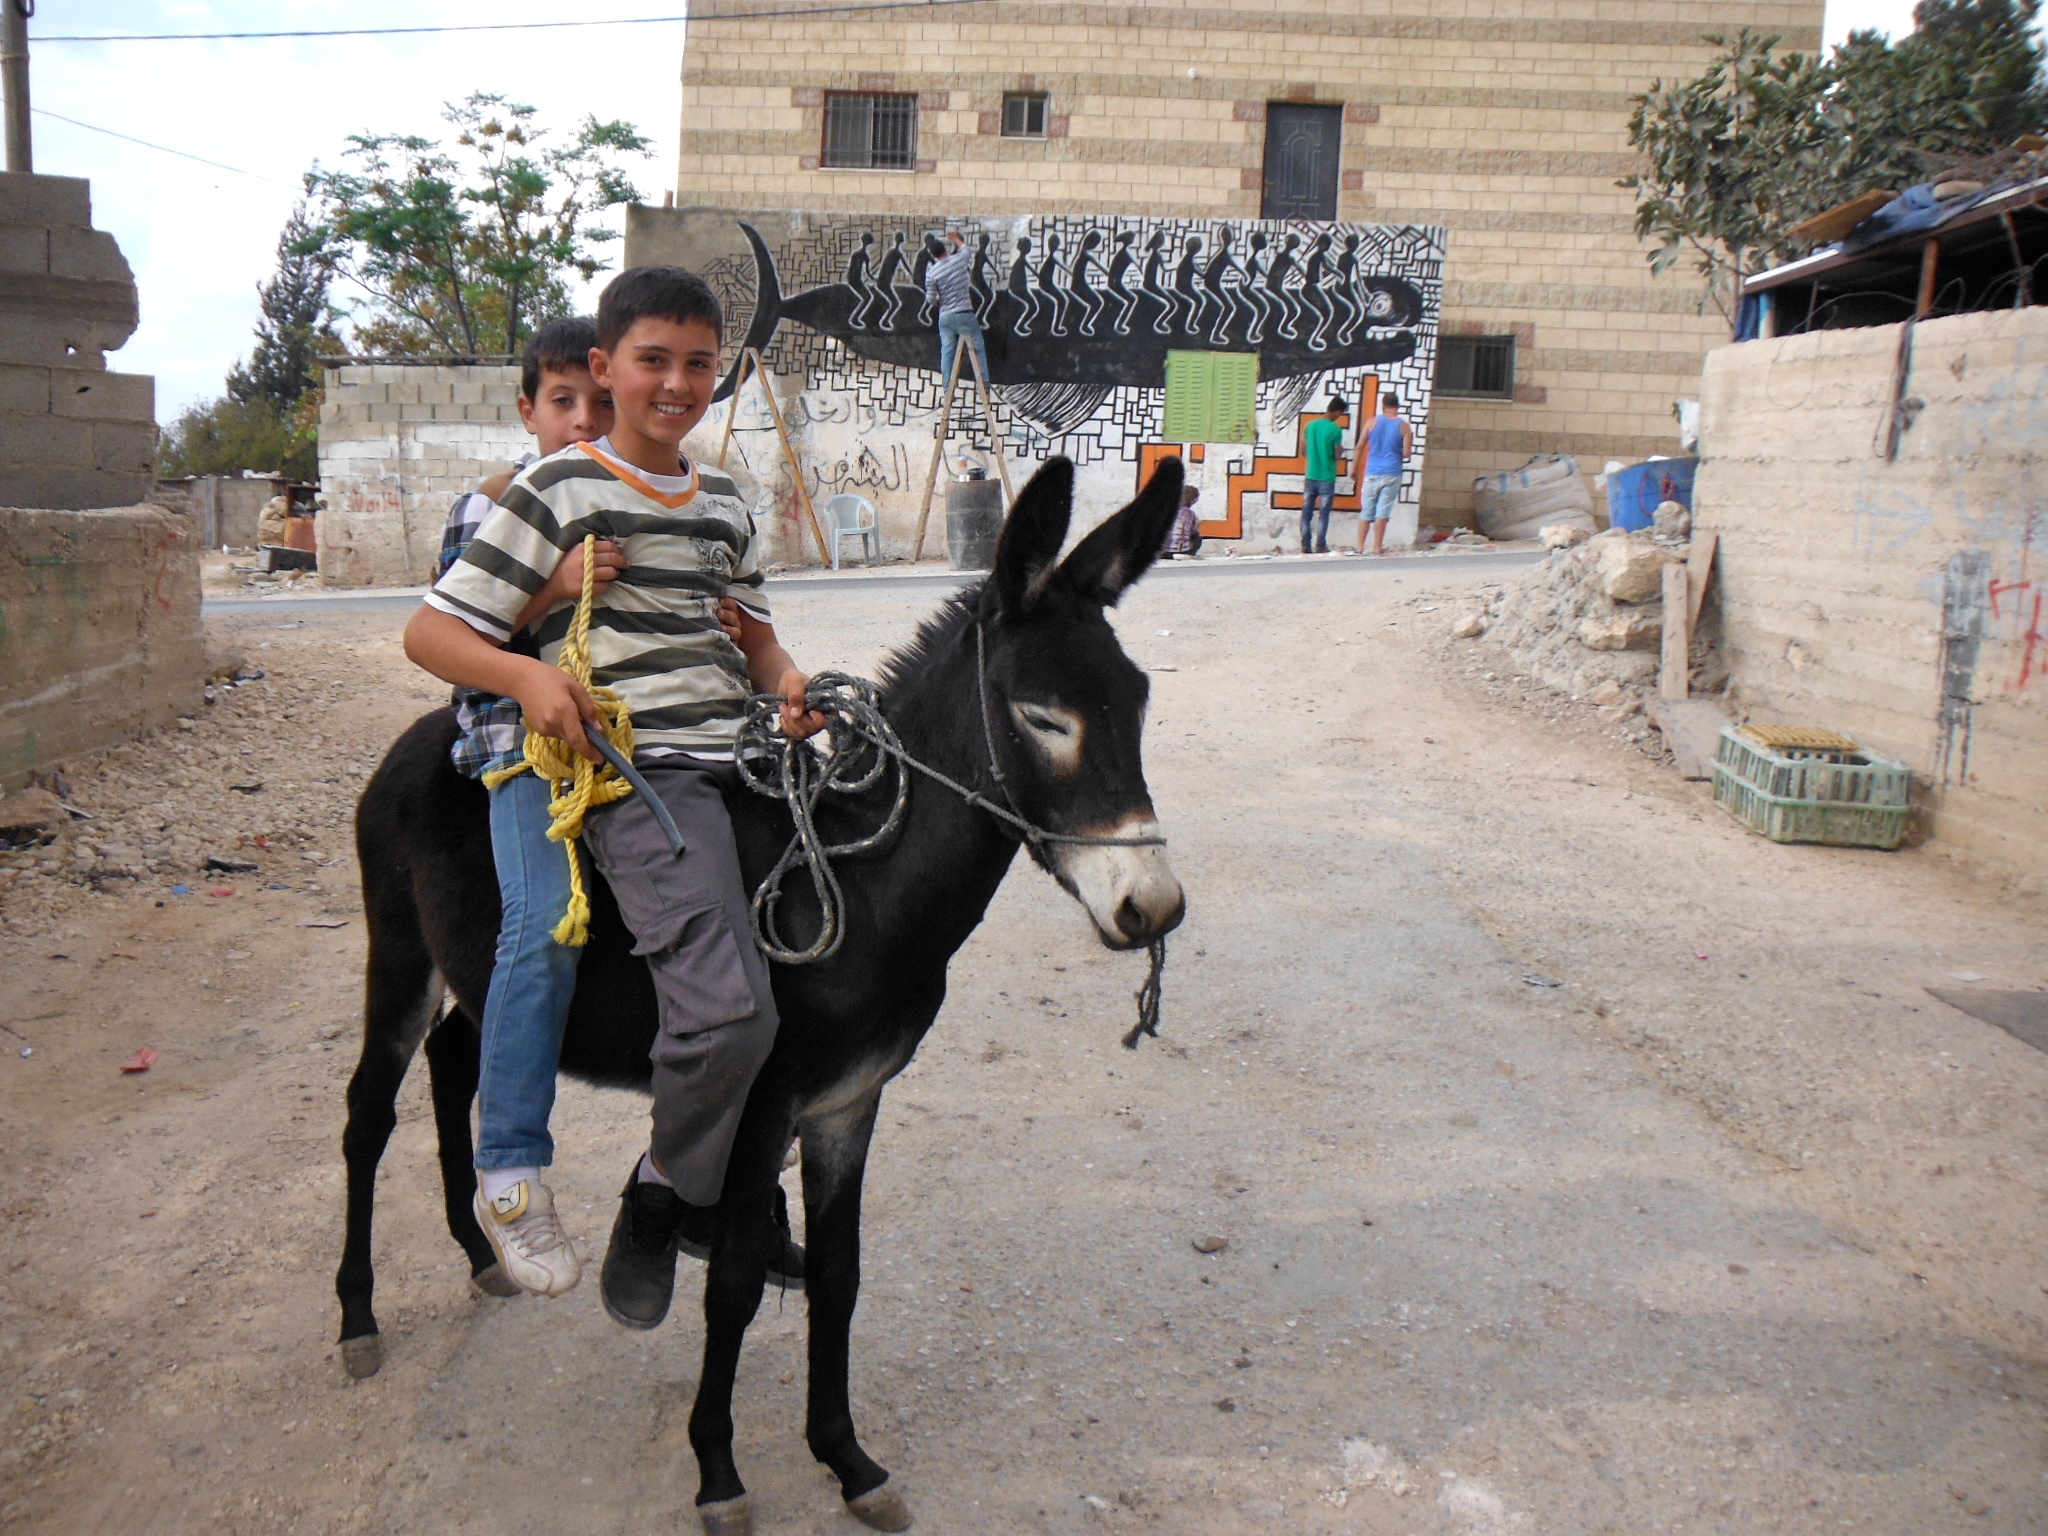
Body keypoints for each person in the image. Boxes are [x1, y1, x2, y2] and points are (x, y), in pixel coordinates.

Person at [405, 266, 823, 1329]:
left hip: (746, 760)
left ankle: (740, 1185)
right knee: (729, 1011)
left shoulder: (725, 499)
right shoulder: (552, 493)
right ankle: (662, 1195)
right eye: (652, 360)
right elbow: (433, 632)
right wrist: (532, 676)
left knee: (845, 964)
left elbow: (754, 635)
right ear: (605, 370)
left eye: (696, 362)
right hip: (645, 776)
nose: (676, 383)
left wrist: (787, 685)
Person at [419, 317, 623, 1298]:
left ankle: (723, 1173)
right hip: (520, 743)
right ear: (527, 409)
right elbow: (453, 631)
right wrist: (552, 589)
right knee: (542, 924)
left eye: (599, 403)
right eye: (561, 403)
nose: (582, 421)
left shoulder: (626, 497)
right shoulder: (494, 504)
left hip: (626, 745)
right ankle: (508, 1166)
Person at [925, 229, 990, 390]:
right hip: (964, 314)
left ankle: (947, 389)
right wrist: (956, 238)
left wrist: (940, 302)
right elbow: (966, 250)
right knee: (978, 348)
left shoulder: (932, 273)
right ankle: (984, 384)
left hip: (946, 317)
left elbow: (930, 299)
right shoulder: (958, 260)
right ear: (945, 249)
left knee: (947, 353)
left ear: (933, 255)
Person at [1356, 390, 1414, 557]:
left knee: (1367, 509)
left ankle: (1360, 547)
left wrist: (1354, 468)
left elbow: (1360, 446)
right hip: (1392, 472)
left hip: (1372, 471)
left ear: (1383, 405)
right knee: (1383, 511)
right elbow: (1407, 453)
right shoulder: (1404, 426)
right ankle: (1377, 547)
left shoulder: (1371, 422)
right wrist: (1396, 451)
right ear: (1398, 406)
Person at [1301, 395, 1349, 554]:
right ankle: (1320, 545)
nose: (1339, 417)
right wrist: (1340, 451)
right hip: (1327, 477)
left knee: (1306, 512)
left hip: (1311, 474)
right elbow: (1336, 455)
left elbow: (1303, 451)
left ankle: (1305, 545)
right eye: (1340, 414)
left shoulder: (1309, 426)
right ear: (1337, 411)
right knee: (1323, 513)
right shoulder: (1335, 430)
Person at [1160, 483, 1203, 559]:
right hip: (1182, 550)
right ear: (1193, 500)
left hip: (1163, 550)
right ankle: (1188, 554)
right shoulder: (1190, 513)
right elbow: (1192, 532)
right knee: (1197, 538)